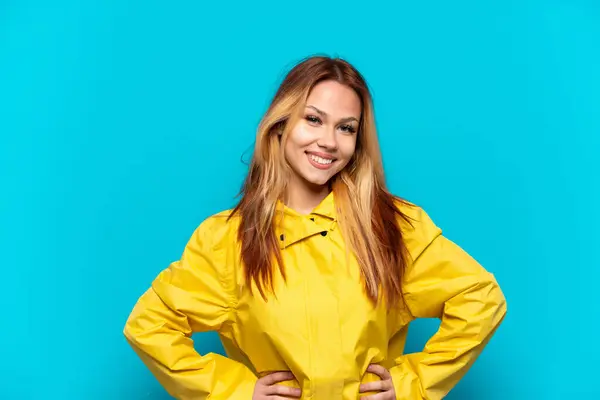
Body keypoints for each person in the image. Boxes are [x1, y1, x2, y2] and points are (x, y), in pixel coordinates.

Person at [123, 55, 507, 400]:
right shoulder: (227, 240)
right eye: (313, 119)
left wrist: (411, 384)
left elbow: (480, 297)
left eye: (346, 128)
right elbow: (150, 326)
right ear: (281, 123)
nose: (328, 142)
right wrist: (236, 392)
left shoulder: (392, 226)